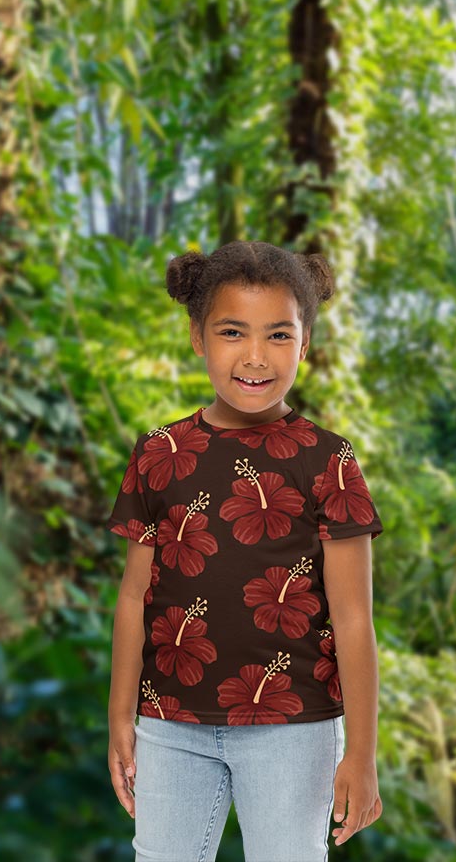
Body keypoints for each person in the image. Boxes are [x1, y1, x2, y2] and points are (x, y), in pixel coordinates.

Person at [103, 241, 387, 861]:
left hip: (295, 729)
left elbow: (354, 619)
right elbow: (134, 597)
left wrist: (361, 754)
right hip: (170, 724)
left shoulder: (328, 461)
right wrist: (120, 713)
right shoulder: (160, 454)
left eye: (279, 336)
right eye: (234, 332)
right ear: (198, 337)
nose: (255, 357)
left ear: (305, 343)